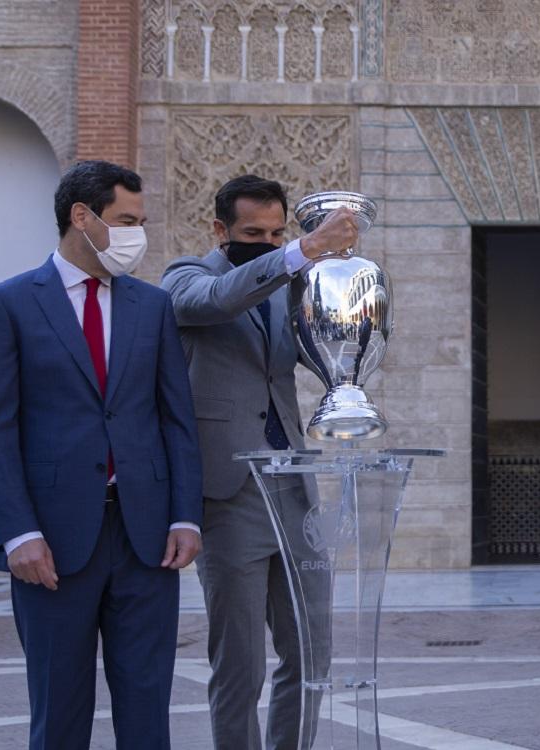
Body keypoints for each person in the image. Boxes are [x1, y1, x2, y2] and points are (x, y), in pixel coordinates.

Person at [0, 160, 203, 749]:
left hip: (146, 537)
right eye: (126, 220)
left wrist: (185, 514)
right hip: (50, 542)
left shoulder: (152, 307)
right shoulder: (8, 304)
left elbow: (176, 419)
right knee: (60, 711)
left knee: (147, 708)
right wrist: (17, 533)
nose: (137, 235)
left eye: (141, 222)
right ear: (82, 216)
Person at [161, 175, 357, 749]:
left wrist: (345, 293)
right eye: (253, 233)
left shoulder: (281, 285)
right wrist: (303, 250)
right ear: (220, 230)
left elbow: (317, 345)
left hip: (294, 488)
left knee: (311, 652)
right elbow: (219, 301)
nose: (269, 243)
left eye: (278, 233)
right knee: (240, 664)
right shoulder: (185, 278)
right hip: (230, 495)